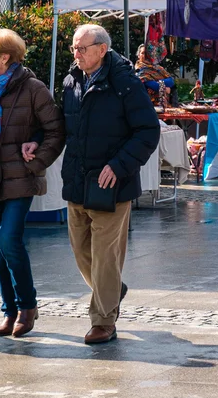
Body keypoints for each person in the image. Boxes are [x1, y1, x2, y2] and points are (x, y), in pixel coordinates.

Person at [0, 29, 65, 338]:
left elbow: (55, 130)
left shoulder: (33, 88)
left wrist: (36, 157)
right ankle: (9, 310)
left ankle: (27, 306)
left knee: (8, 240)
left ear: (5, 57)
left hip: (20, 178)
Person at [62, 24, 159, 345]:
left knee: (105, 255)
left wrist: (118, 166)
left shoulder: (125, 83)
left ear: (102, 49)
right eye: (74, 48)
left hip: (111, 185)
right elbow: (64, 128)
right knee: (81, 252)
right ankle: (113, 289)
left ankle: (103, 320)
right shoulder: (71, 80)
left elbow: (148, 131)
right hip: (77, 181)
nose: (76, 54)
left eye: (82, 48)